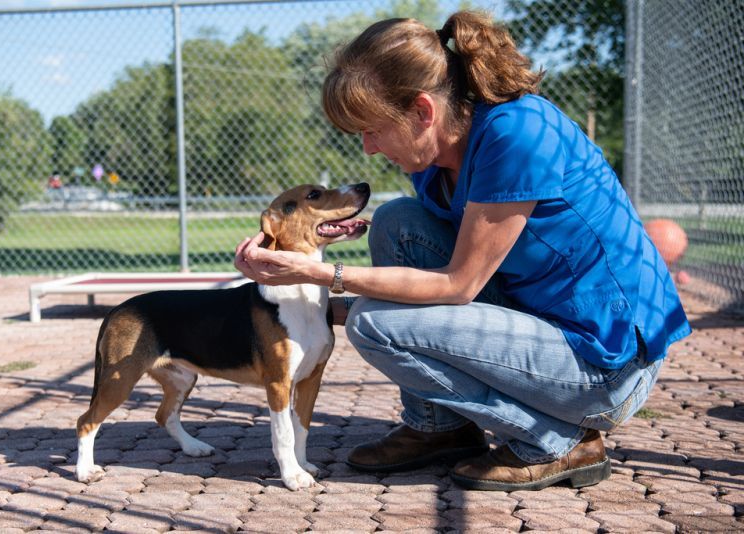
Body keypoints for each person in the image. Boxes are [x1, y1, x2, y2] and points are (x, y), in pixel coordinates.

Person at [234, 11, 691, 491]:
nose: (368, 149)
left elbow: (459, 284)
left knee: (375, 325)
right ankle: (440, 427)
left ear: (423, 112)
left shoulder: (518, 134)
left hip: (604, 364)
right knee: (396, 224)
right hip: (543, 323)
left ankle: (559, 440)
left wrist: (319, 277)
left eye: (373, 130)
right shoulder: (433, 159)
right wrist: (300, 298)